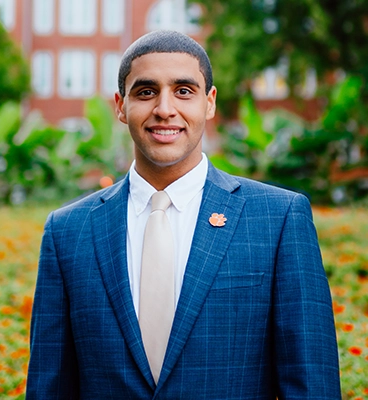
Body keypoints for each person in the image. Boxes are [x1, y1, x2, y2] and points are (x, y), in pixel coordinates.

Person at [26, 30, 341, 399]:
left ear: (209, 103)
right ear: (120, 105)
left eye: (184, 91)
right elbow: (49, 386)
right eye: (145, 92)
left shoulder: (279, 218)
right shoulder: (67, 231)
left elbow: (311, 384)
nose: (164, 108)